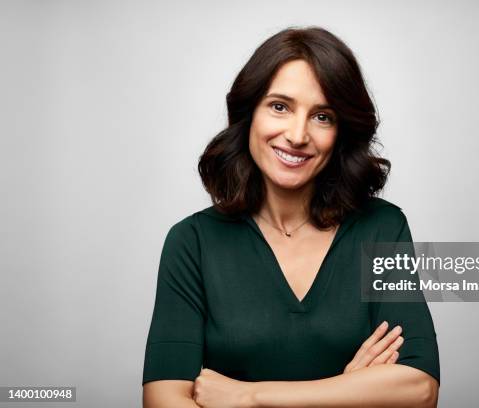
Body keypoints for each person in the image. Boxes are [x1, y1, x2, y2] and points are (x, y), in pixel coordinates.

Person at [142, 26, 440, 408]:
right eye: (279, 106)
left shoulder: (382, 229)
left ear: (341, 131)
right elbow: (163, 401)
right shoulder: (192, 242)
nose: (298, 135)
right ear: (249, 113)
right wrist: (348, 393)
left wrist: (250, 396)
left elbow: (419, 391)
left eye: (322, 116)